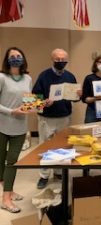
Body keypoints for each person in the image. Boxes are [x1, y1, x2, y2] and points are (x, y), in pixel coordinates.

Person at [32, 48, 81, 189]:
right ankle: (44, 175)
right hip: (46, 118)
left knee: (62, 146)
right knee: (45, 146)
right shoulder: (43, 76)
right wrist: (43, 102)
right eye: (58, 59)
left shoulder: (70, 76)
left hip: (64, 117)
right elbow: (34, 97)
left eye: (63, 59)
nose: (61, 62)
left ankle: (59, 171)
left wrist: (78, 95)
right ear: (52, 59)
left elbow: (75, 99)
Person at [0, 47, 32, 213]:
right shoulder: (2, 77)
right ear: (7, 59)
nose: (16, 58)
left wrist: (40, 104)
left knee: (12, 162)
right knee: (1, 160)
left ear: (23, 58)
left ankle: (6, 198)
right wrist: (12, 111)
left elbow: (28, 101)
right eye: (12, 56)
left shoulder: (28, 77)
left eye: (19, 55)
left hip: (20, 127)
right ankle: (8, 191)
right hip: (1, 126)